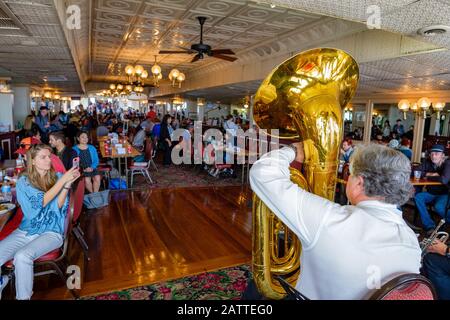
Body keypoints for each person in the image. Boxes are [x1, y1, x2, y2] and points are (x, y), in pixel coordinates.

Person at [249, 143, 421, 299]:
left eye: (351, 175)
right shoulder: (412, 240)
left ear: (359, 183)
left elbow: (262, 173)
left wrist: (292, 150)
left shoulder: (329, 221)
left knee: (254, 292)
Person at [0, 144, 80, 300]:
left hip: (52, 231)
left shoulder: (56, 176)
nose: (48, 160)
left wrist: (66, 186)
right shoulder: (24, 182)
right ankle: (3, 280)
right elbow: (37, 206)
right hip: (27, 230)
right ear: (33, 161)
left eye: (49, 156)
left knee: (22, 256)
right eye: (43, 157)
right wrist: (63, 180)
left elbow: (57, 207)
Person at [414, 144, 450, 235]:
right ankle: (430, 226)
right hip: (430, 193)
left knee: (439, 207)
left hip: (444, 194)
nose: (434, 156)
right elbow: (416, 171)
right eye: (432, 153)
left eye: (437, 153)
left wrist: (428, 175)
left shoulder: (448, 163)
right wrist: (431, 175)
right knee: (418, 197)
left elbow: (444, 180)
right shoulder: (427, 161)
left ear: (443, 155)